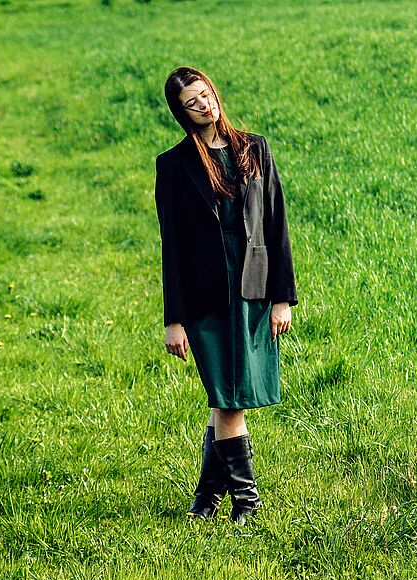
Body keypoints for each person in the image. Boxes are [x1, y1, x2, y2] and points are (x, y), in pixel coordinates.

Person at [154, 66, 298, 525]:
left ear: (215, 92)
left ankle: (207, 498)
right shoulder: (173, 165)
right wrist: (173, 319)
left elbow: (276, 224)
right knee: (228, 396)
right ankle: (247, 502)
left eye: (205, 94)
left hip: (253, 288)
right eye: (191, 102)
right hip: (204, 299)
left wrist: (283, 297)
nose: (203, 104)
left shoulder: (254, 148)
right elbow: (172, 247)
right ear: (181, 112)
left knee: (226, 398)